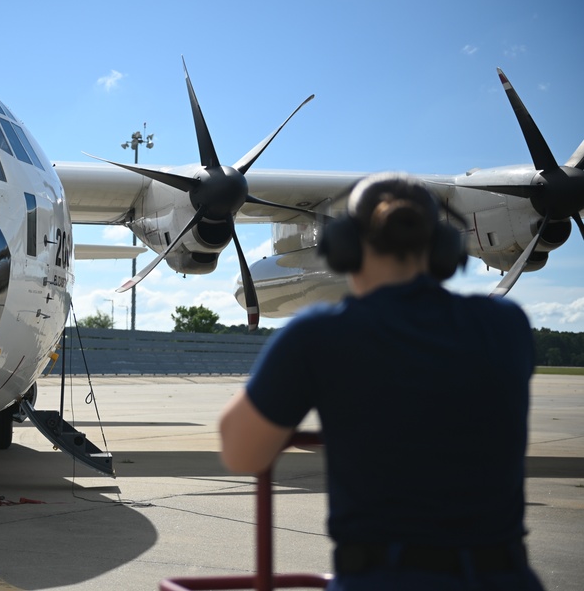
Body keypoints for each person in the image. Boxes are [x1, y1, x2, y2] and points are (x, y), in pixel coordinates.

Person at [218, 172, 544, 590]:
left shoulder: (319, 334)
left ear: (344, 248)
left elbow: (242, 453)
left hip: (382, 578)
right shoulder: (507, 326)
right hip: (505, 577)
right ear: (446, 246)